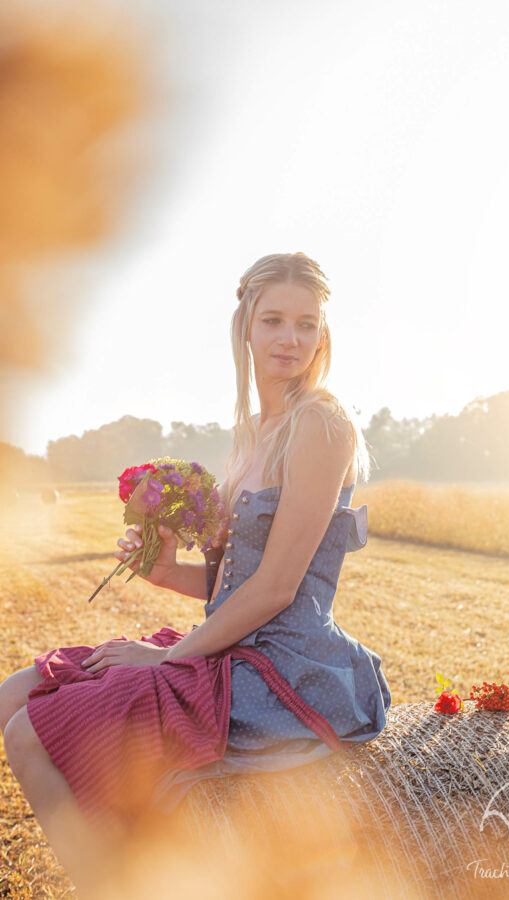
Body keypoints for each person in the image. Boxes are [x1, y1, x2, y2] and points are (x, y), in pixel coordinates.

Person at [0, 252, 391, 895]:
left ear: (323, 335)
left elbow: (276, 589)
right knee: (16, 692)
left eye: (306, 324)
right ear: (245, 327)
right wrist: (161, 571)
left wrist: (167, 660)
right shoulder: (249, 437)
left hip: (284, 663)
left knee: (30, 733)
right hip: (230, 644)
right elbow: (229, 586)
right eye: (273, 321)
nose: (290, 339)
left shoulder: (321, 425)